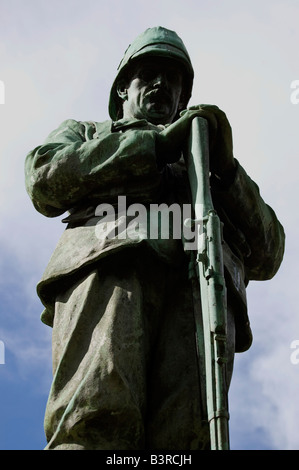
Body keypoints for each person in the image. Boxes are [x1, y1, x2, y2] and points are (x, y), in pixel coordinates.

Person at [25, 26, 285, 450]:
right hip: (111, 274)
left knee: (186, 439)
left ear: (183, 97)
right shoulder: (88, 135)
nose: (162, 84)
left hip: (197, 292)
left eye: (173, 78)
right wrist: (151, 147)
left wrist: (227, 173)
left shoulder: (211, 168)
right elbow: (44, 178)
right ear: (123, 88)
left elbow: (269, 252)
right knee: (97, 414)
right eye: (149, 73)